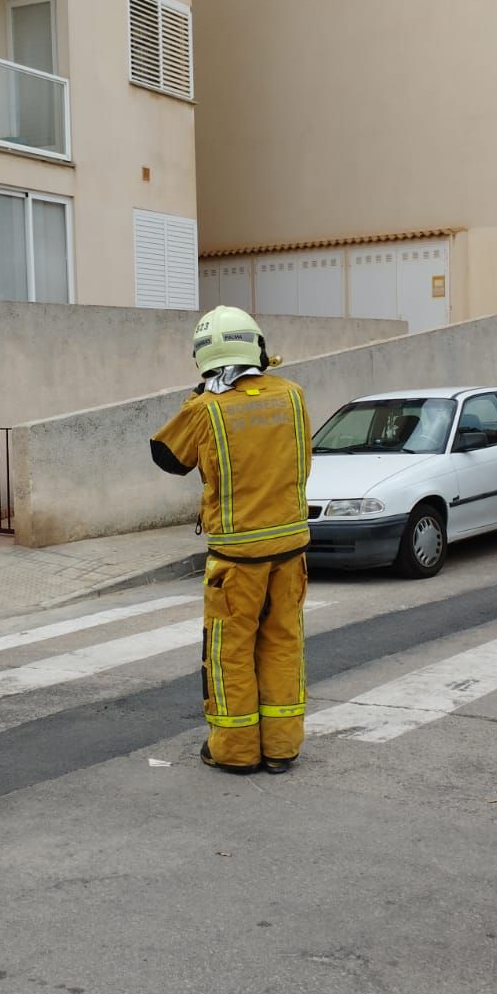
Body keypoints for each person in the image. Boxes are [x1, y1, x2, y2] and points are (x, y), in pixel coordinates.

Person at [149, 307, 312, 774]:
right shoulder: (293, 396)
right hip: (291, 548)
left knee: (231, 652)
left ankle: (236, 751)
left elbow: (166, 456)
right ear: (257, 348)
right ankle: (281, 747)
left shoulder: (206, 409)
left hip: (237, 555)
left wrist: (198, 396)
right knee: (283, 644)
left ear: (204, 357)